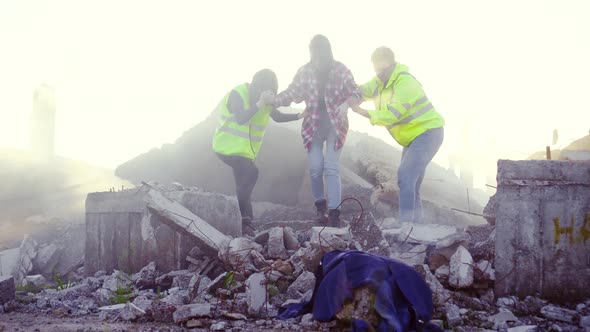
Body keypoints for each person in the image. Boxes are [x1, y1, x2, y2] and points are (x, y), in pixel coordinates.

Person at [259, 35, 362, 226]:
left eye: (320, 53)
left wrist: (347, 104)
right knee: (315, 168)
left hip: (335, 125)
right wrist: (273, 100)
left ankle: (334, 213)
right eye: (314, 53)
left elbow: (357, 92)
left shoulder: (340, 69)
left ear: (327, 51)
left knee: (331, 166)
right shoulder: (304, 72)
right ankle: (320, 207)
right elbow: (292, 93)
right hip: (312, 126)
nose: (317, 58)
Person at [350, 47, 445, 223]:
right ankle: (417, 227)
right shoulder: (380, 81)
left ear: (392, 64)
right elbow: (364, 89)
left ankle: (406, 225)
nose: (379, 74)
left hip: (428, 134)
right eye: (377, 70)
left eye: (383, 70)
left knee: (406, 176)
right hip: (413, 139)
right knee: (412, 183)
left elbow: (392, 114)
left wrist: (361, 111)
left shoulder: (405, 82)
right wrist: (354, 93)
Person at [212, 69, 305, 236]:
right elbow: (241, 118)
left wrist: (299, 115)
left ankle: (247, 224)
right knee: (251, 173)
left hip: (243, 152)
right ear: (256, 87)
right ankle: (244, 220)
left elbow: (277, 116)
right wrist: (260, 103)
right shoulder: (238, 93)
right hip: (225, 147)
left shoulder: (266, 101)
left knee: (243, 183)